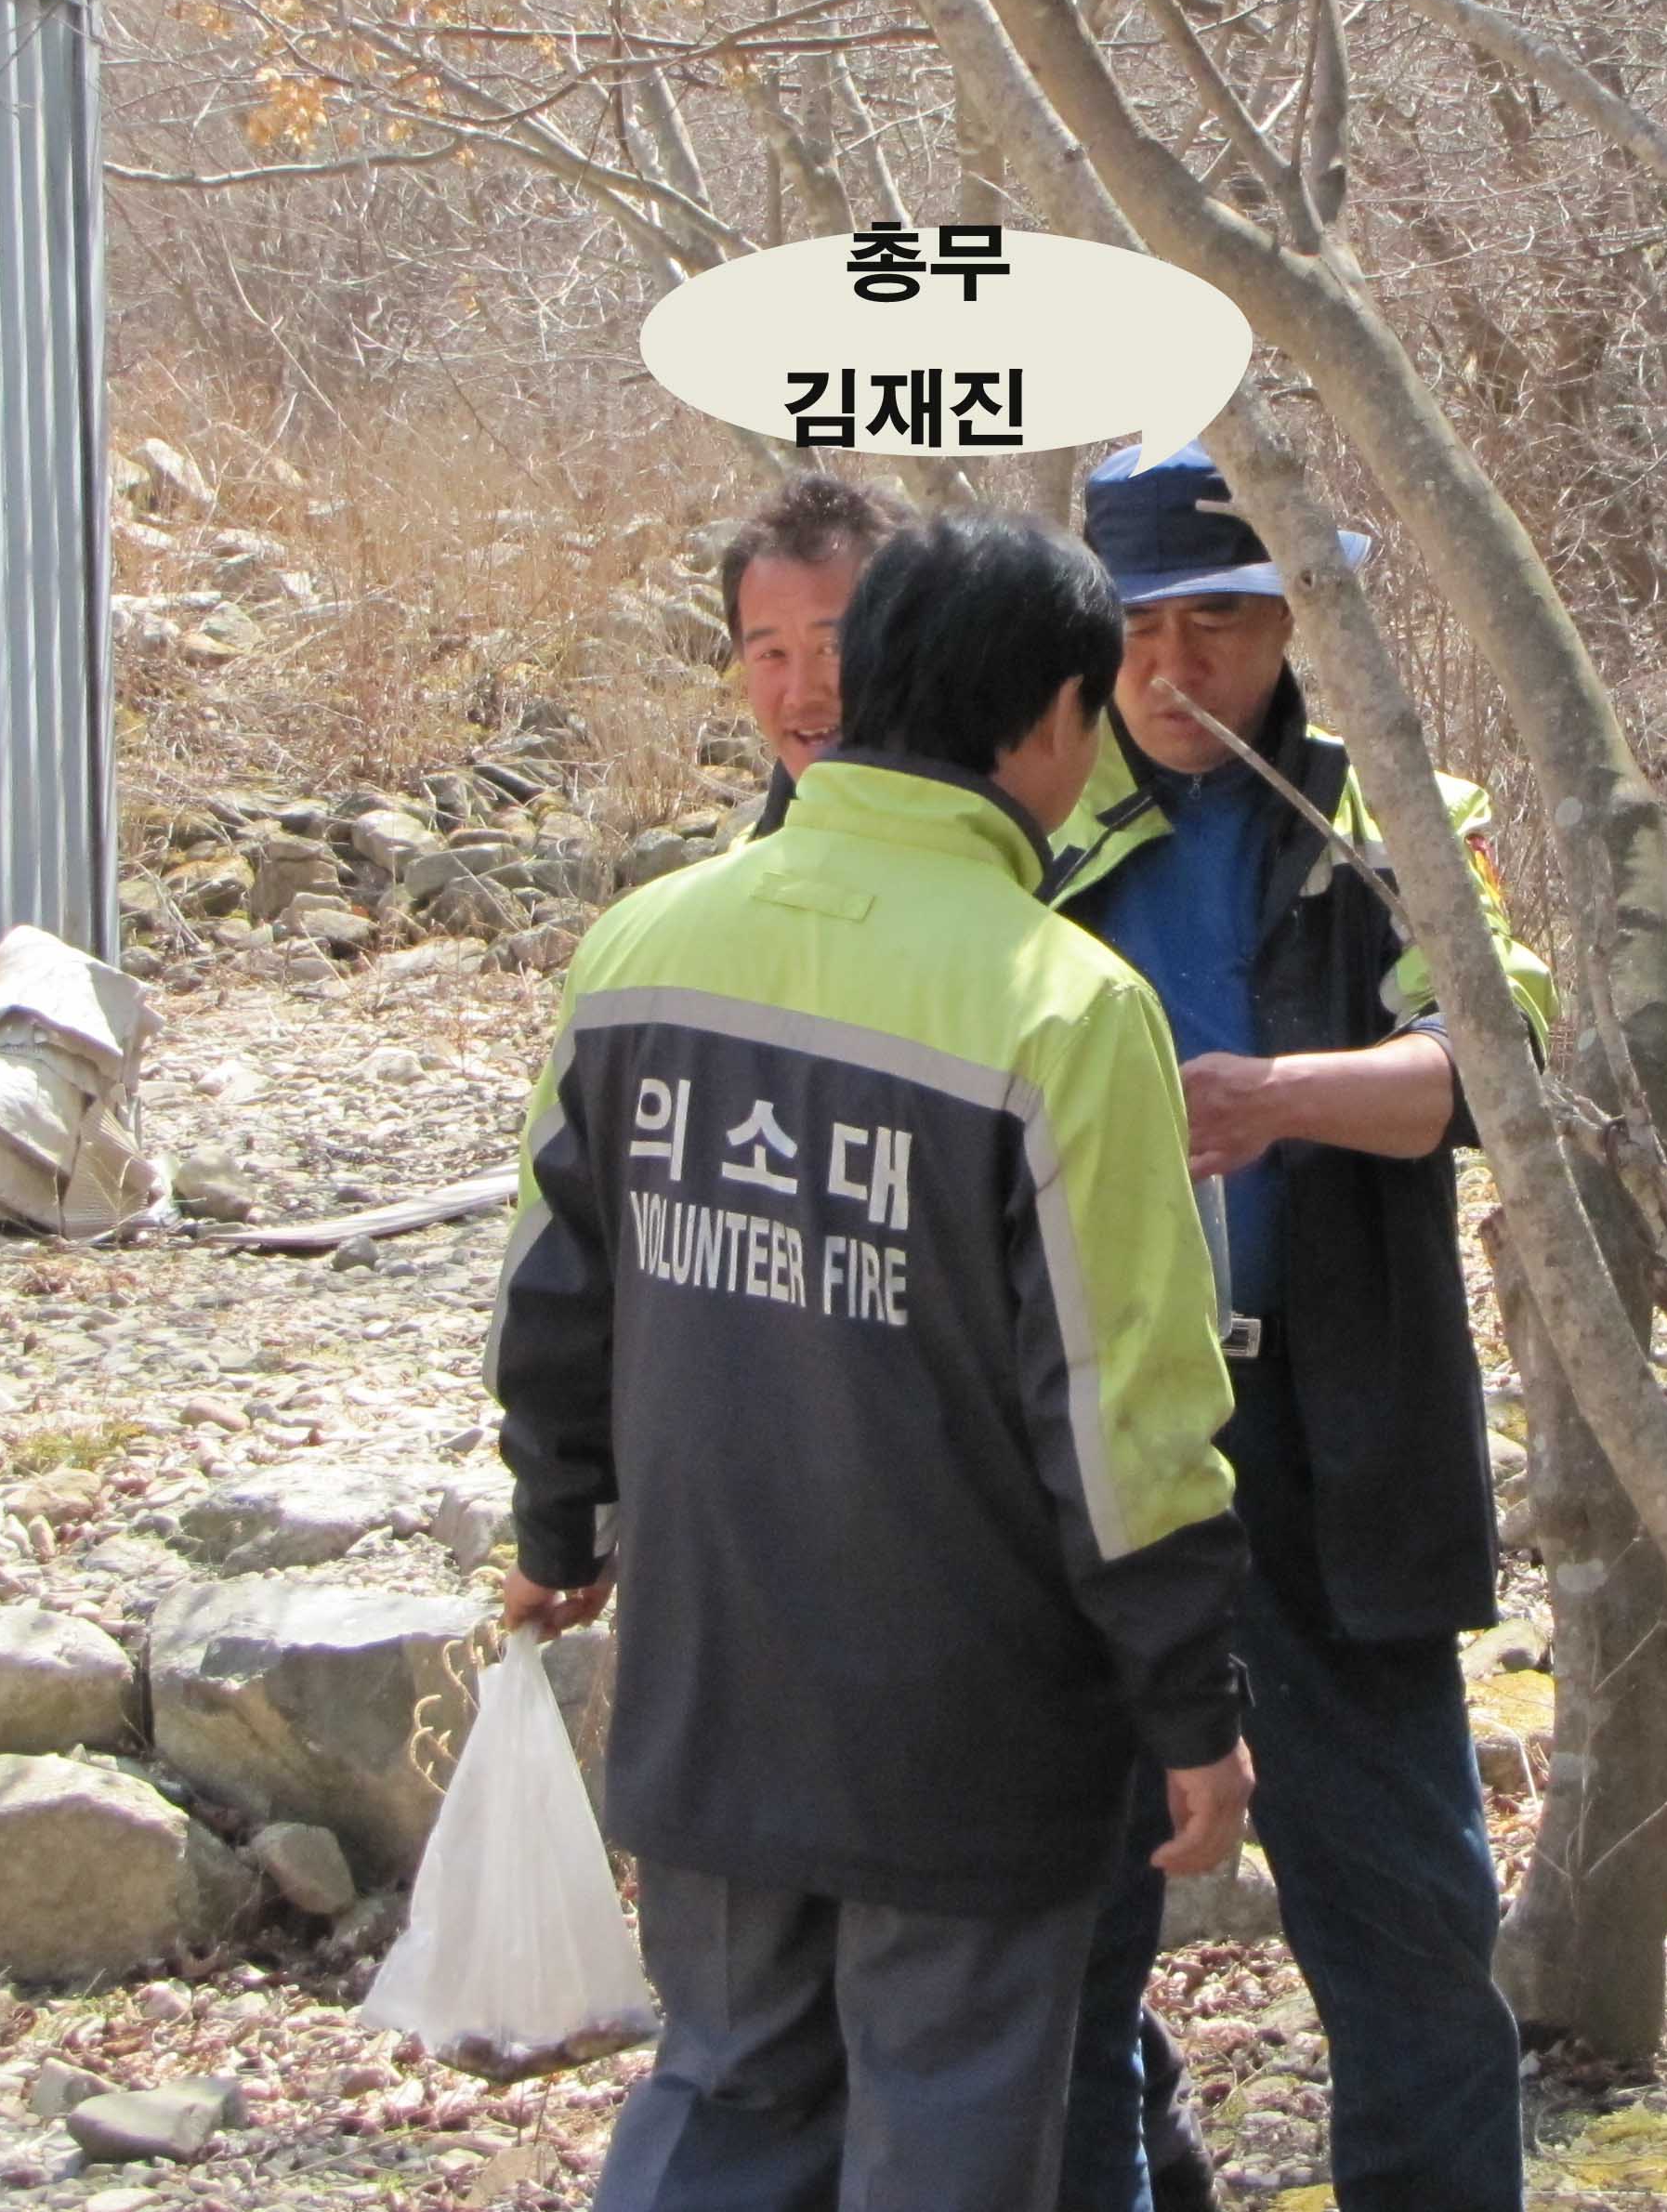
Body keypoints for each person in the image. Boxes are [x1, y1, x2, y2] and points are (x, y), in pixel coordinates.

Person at [490, 512, 1256, 2212]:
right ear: (1056, 718)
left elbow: (553, 1292)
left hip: (710, 1681)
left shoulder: (641, 947)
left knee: (723, 2093)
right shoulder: (1067, 1007)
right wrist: (1193, 1703)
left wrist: (555, 1525)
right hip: (967, 1731)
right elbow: (1126, 1415)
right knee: (950, 2127)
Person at [1050, 443, 1554, 2212]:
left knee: (1410, 1929)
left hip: (1338, 1435)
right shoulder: (1030, 816)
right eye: (1142, 631)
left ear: (1292, 622)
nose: (1179, 669)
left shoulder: (1389, 813)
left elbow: (1499, 1068)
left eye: (1223, 622)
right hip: (1090, 1437)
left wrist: (1277, 1098)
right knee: (1060, 1923)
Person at [721, 468, 913, 814]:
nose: (801, 694)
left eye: (832, 648)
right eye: (772, 654)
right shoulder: (762, 842)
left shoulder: (998, 837)